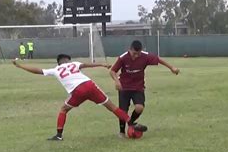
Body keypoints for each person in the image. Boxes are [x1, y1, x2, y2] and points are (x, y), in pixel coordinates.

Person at [13, 54, 148, 141]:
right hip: (89, 85)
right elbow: (88, 64)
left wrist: (19, 66)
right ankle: (131, 123)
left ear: (59, 62)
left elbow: (38, 71)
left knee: (64, 109)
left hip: (77, 90)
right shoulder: (75, 64)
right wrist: (102, 64)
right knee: (112, 107)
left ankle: (59, 135)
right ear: (68, 61)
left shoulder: (56, 69)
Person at [110, 40, 180, 138]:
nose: (136, 56)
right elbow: (112, 71)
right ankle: (122, 132)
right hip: (124, 87)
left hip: (138, 87)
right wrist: (117, 81)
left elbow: (158, 60)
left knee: (139, 108)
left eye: (138, 54)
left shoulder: (145, 56)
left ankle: (131, 123)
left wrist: (172, 68)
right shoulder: (123, 58)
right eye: (134, 53)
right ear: (129, 50)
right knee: (123, 111)